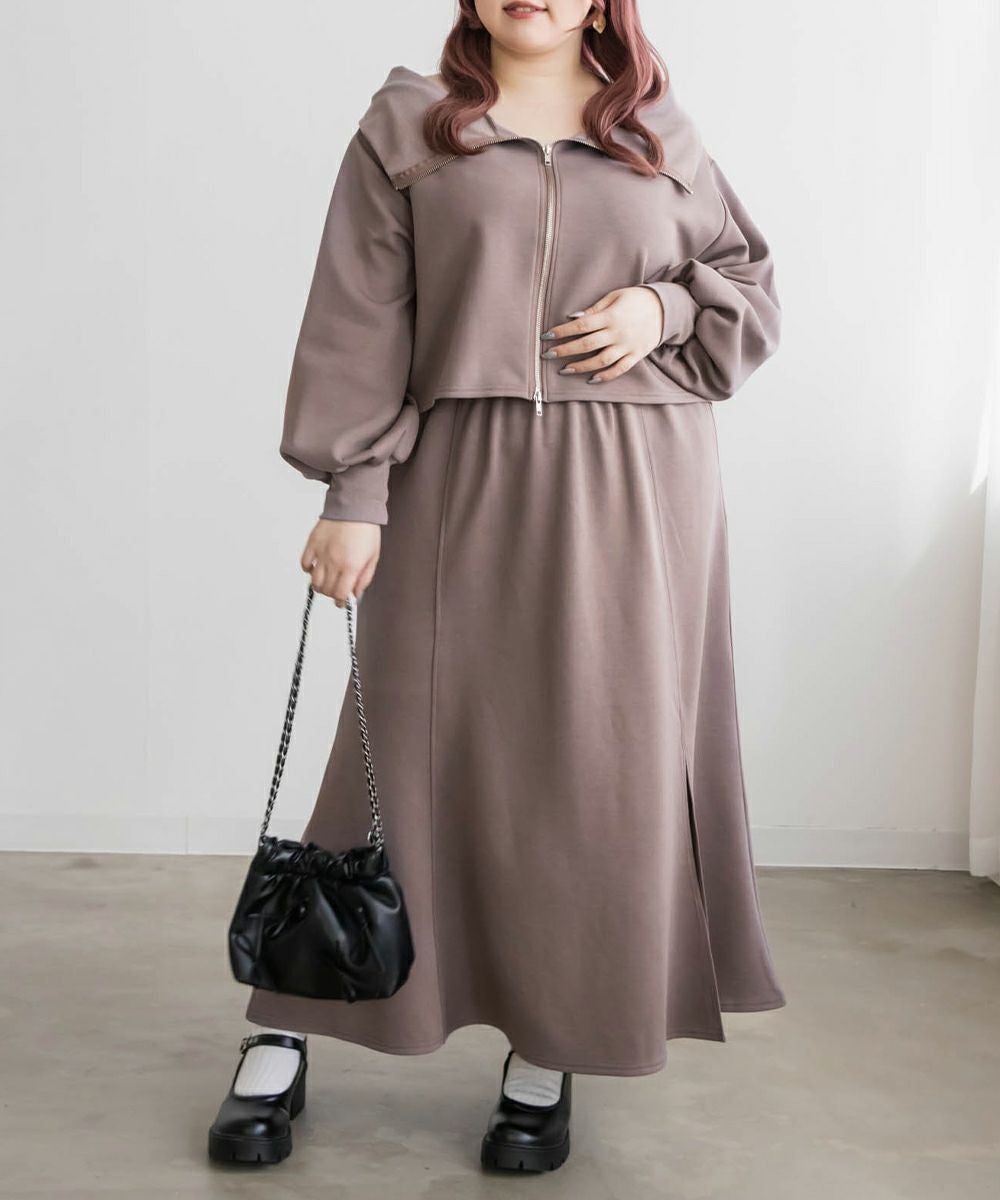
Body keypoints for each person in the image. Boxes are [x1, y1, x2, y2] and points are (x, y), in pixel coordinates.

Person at [208, 0, 786, 1175]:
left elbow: (747, 286)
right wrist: (353, 494)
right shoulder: (412, 126)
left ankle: (546, 1048)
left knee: (594, 767)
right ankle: (284, 1024)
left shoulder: (655, 131)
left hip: (640, 484)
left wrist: (664, 305)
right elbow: (359, 315)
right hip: (458, 475)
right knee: (397, 756)